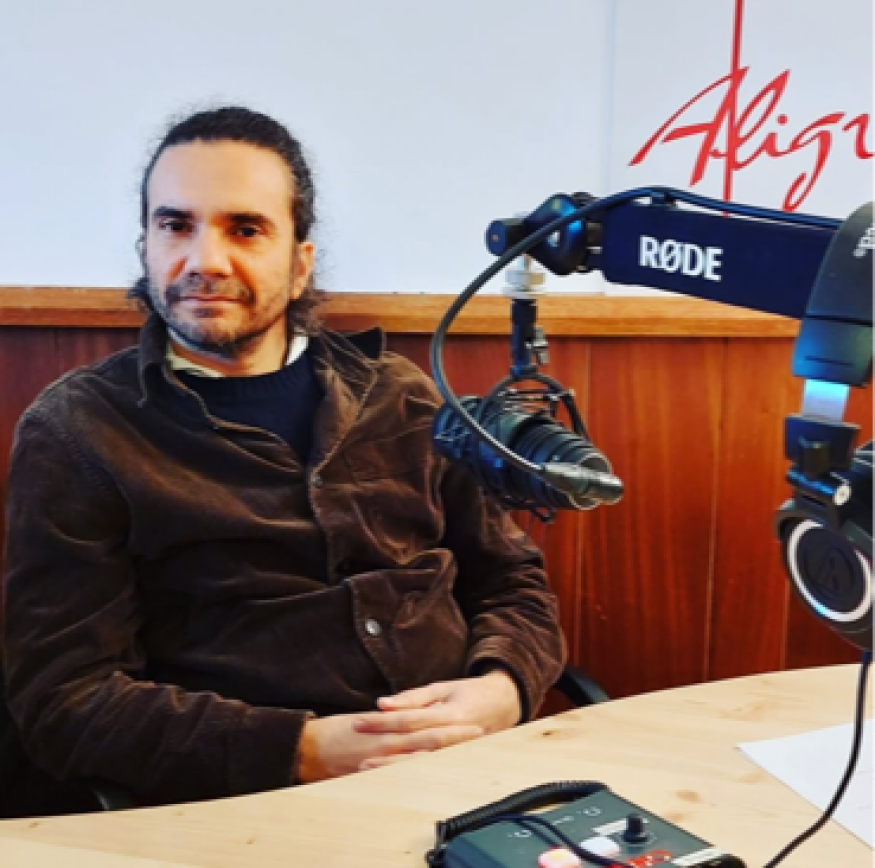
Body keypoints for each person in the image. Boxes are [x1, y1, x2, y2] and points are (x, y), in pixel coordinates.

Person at [1, 106, 565, 809]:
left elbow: (512, 581)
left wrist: (503, 688)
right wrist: (304, 751)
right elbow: (64, 701)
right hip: (241, 809)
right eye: (176, 225)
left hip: (468, 776)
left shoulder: (403, 396)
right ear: (145, 246)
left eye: (245, 229)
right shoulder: (78, 431)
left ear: (299, 264)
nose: (205, 261)